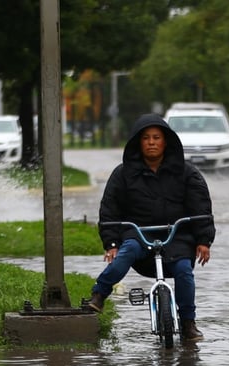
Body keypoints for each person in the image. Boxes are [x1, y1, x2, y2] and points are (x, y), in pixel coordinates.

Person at [85, 113, 216, 341]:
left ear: (166, 141)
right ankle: (99, 295)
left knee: (185, 271)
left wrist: (203, 240)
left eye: (157, 137)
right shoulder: (123, 173)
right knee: (123, 255)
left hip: (176, 237)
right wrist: (112, 243)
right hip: (138, 235)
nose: (152, 142)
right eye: (146, 138)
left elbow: (201, 206)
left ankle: (188, 323)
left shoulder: (187, 173)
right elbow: (109, 209)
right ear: (138, 142)